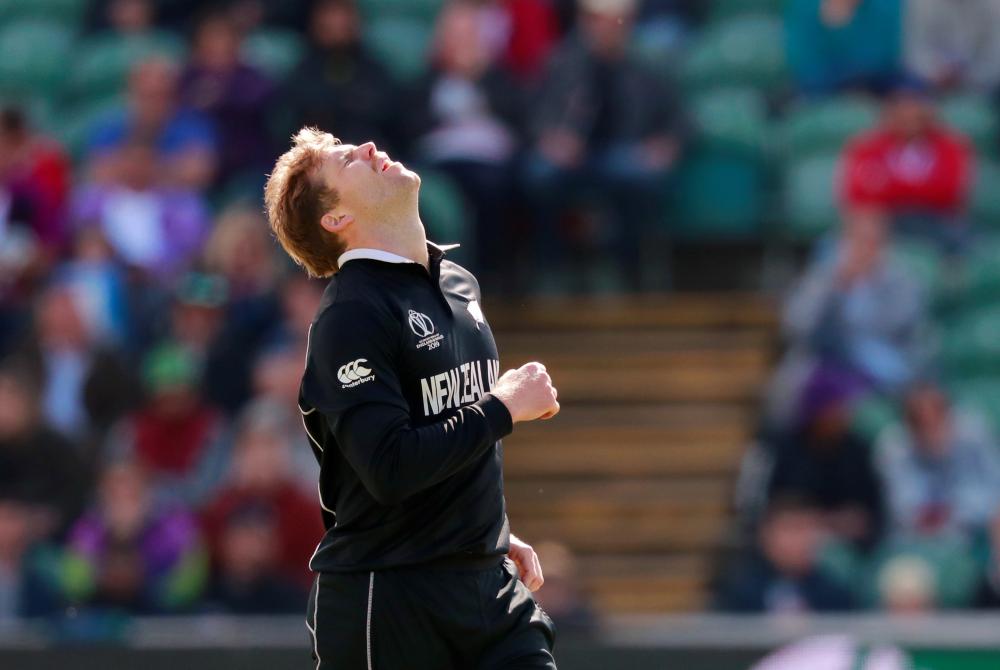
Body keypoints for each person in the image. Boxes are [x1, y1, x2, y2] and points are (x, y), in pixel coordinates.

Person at [264, 128, 560, 668]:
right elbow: (391, 465)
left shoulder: (458, 282)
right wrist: (503, 407)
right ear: (335, 220)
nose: (370, 149)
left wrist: (485, 532)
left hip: (485, 583)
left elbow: (443, 426)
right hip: (389, 596)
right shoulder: (349, 315)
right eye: (348, 161)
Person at [525, 0, 684, 290]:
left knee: (637, 176)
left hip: (624, 152)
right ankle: (551, 267)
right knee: (540, 174)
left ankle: (625, 267)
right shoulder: (562, 62)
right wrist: (552, 140)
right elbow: (535, 117)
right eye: (597, 19)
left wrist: (666, 145)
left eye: (615, 20)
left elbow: (680, 120)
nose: (606, 27)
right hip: (572, 155)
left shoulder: (649, 65)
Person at [840, 77, 973, 249]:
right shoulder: (867, 146)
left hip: (936, 223)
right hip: (884, 224)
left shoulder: (950, 146)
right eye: (901, 107)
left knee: (967, 242)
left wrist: (890, 188)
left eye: (915, 107)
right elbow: (860, 193)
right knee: (849, 237)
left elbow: (948, 191)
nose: (908, 114)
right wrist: (918, 189)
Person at [715, 497, 855, 614]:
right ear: (766, 534)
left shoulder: (834, 594)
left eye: (811, 530)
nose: (804, 540)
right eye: (794, 529)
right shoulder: (739, 592)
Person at [785, 0, 901, 96]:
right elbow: (807, 71)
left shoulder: (886, 6)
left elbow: (885, 61)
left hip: (879, 88)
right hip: (821, 96)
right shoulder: (805, 7)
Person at [904, 0, 1000, 93]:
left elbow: (994, 60)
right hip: (930, 82)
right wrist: (936, 72)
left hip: (982, 87)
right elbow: (914, 53)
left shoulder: (993, 6)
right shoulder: (921, 4)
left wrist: (967, 76)